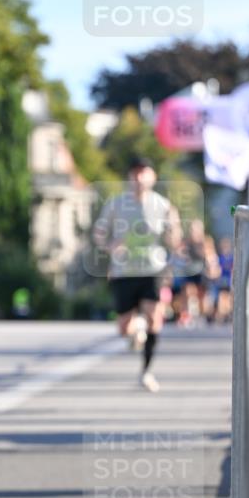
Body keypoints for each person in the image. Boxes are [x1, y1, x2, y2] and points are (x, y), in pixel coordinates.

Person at [93, 155, 180, 392]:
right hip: (124, 271)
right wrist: (110, 245)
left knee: (155, 318)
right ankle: (135, 330)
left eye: (144, 172)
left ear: (153, 177)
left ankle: (146, 371)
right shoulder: (116, 204)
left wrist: (174, 229)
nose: (140, 178)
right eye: (135, 173)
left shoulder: (162, 205)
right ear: (129, 177)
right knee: (124, 327)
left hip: (152, 268)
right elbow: (99, 233)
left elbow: (173, 240)